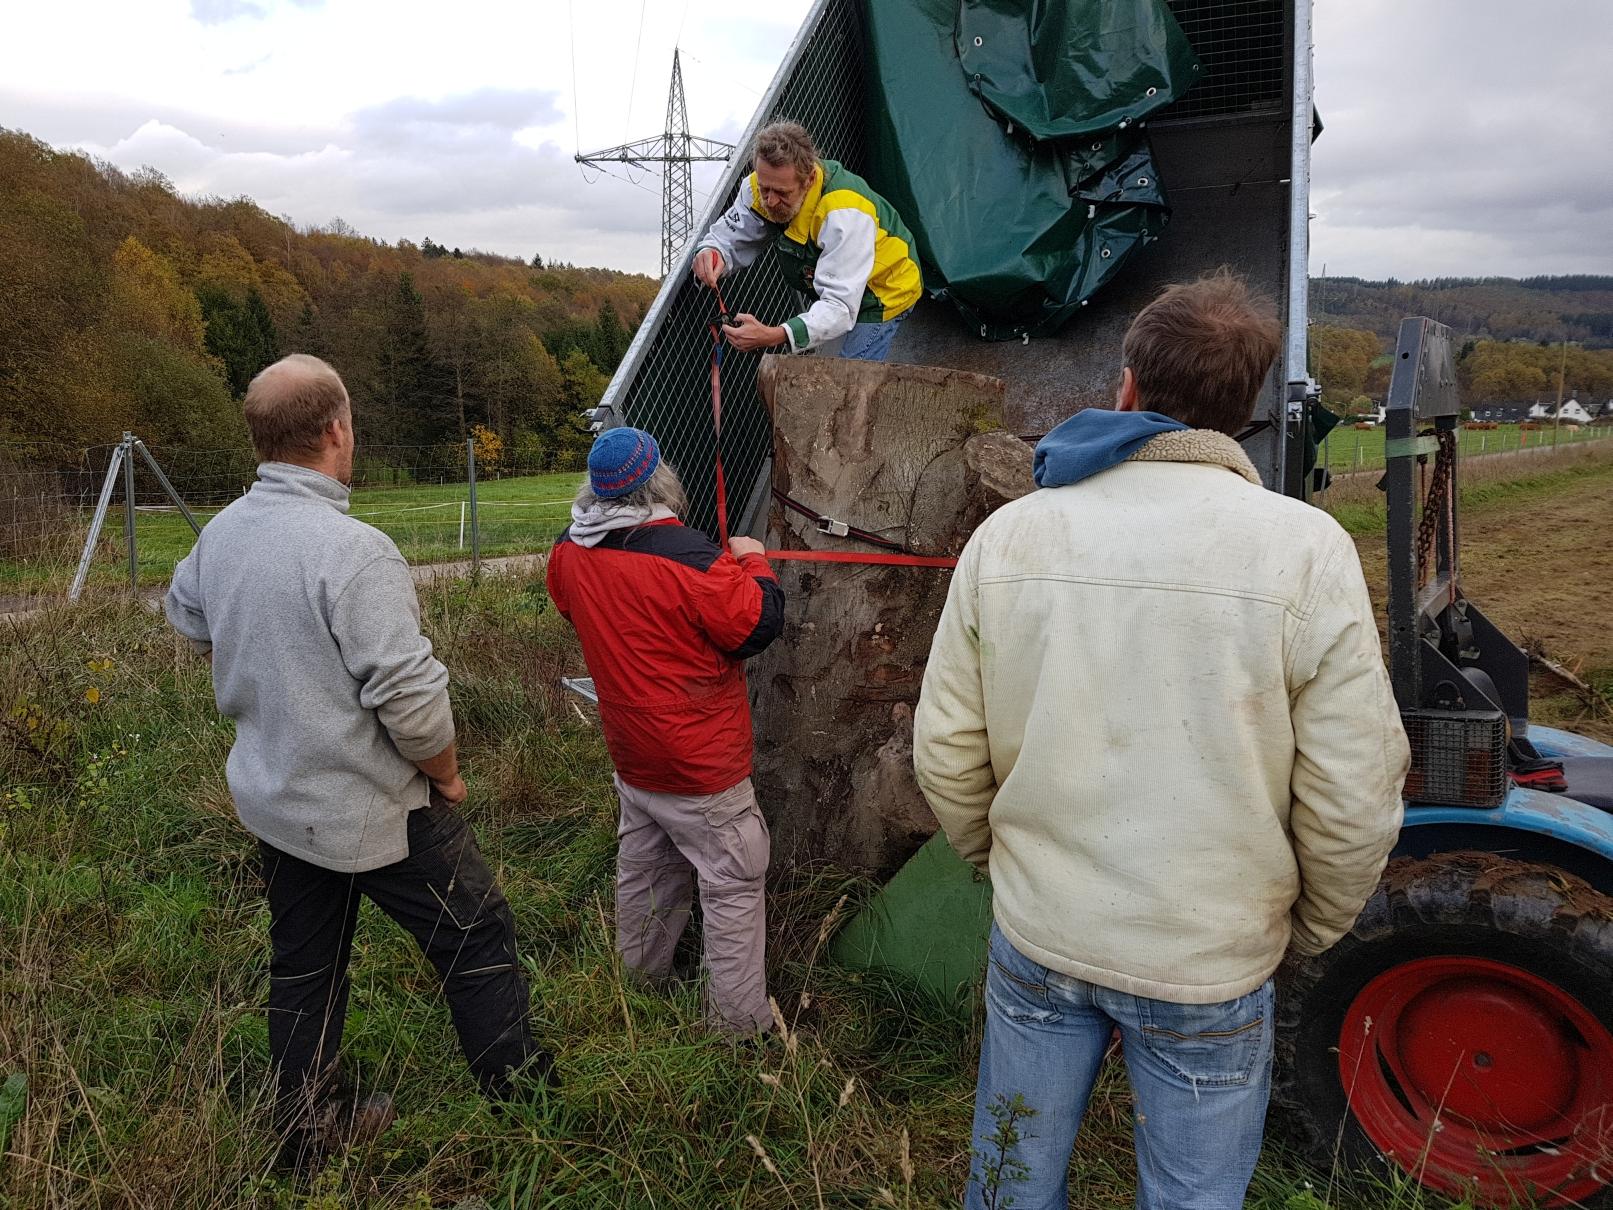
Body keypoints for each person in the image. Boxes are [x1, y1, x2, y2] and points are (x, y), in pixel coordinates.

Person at [912, 274, 1410, 1210]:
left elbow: (943, 747)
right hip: (1210, 956)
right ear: (1248, 409)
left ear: (1126, 387)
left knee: (1010, 1181)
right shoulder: (1305, 551)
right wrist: (1302, 926)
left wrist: (1001, 860)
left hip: (1042, 934)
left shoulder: (1011, 535)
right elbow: (1355, 791)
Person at [164, 354, 549, 1169]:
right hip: (377, 807)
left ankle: (302, 1140)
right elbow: (410, 699)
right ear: (337, 431)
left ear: (261, 439)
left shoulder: (222, 533)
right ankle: (529, 1109)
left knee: (305, 971)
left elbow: (188, 616)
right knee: (476, 937)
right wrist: (443, 773)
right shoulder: (354, 549)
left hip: (276, 798)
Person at [546, 427, 784, 1034]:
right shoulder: (692, 558)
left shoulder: (567, 554)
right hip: (704, 764)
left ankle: (640, 985)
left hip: (634, 757)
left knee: (645, 865)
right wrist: (752, 559)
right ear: (660, 480)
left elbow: (572, 604)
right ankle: (738, 1028)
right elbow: (755, 626)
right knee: (733, 882)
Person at [692, 120, 922, 362]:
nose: (769, 201)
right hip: (843, 281)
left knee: (851, 380)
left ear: (810, 179)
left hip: (885, 286)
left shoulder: (843, 214)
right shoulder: (760, 187)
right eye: (764, 188)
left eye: (782, 193)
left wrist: (773, 335)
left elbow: (839, 306)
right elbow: (732, 235)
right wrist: (713, 251)